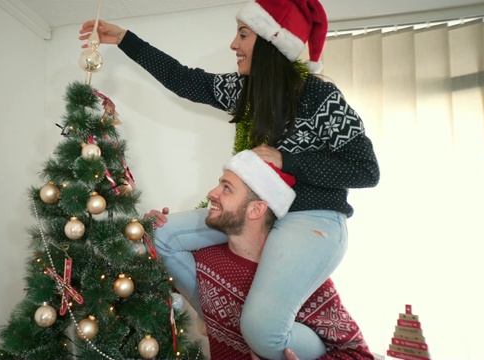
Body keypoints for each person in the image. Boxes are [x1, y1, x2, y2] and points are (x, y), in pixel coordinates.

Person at [80, 0, 380, 358]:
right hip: (259, 211)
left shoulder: (321, 97)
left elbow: (366, 171)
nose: (233, 45)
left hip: (312, 218)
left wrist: (287, 160)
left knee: (262, 330)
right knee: (159, 235)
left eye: (243, 34)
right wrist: (126, 39)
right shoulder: (247, 93)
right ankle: (222, 320)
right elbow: (185, 80)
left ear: (272, 42)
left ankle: (310, 349)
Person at [148, 150, 373, 360]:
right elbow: (158, 292)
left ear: (256, 209)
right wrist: (150, 231)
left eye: (226, 188)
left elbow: (358, 353)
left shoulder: (299, 279)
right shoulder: (205, 260)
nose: (212, 194)